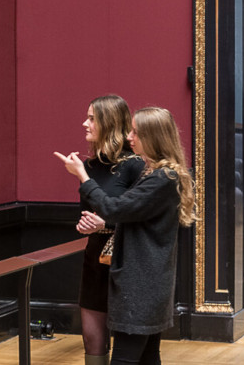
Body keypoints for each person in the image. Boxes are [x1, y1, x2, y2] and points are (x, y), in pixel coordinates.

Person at [55, 106, 197, 365]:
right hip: (149, 284)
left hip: (141, 286)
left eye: (136, 132)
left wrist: (83, 176)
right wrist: (102, 224)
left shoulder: (161, 178)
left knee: (125, 359)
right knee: (147, 358)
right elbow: (132, 218)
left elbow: (113, 208)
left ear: (153, 137)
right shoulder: (160, 175)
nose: (130, 137)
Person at [71, 95, 145, 365]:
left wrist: (107, 224)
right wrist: (85, 225)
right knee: (92, 340)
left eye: (92, 118)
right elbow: (89, 210)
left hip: (126, 260)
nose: (85, 123)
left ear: (109, 123)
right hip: (94, 258)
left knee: (127, 345)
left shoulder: (135, 165)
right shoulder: (88, 166)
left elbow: (140, 215)